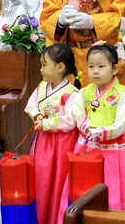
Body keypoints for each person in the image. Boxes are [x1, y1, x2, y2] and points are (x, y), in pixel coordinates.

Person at [58, 43, 125, 221]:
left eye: (101, 66)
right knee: (85, 185)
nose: (95, 71)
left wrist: (101, 132)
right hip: (90, 146)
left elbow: (121, 122)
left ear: (114, 69)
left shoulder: (122, 94)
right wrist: (86, 127)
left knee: (123, 186)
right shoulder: (84, 92)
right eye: (91, 66)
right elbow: (78, 112)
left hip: (119, 148)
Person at [24, 43, 81, 224]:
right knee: (41, 178)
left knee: (58, 179)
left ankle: (55, 217)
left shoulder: (72, 93)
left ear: (60, 67)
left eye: (44, 64)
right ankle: (40, 215)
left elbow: (70, 121)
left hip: (62, 143)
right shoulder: (41, 87)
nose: (40, 69)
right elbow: (30, 105)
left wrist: (46, 123)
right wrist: (37, 115)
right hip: (42, 141)